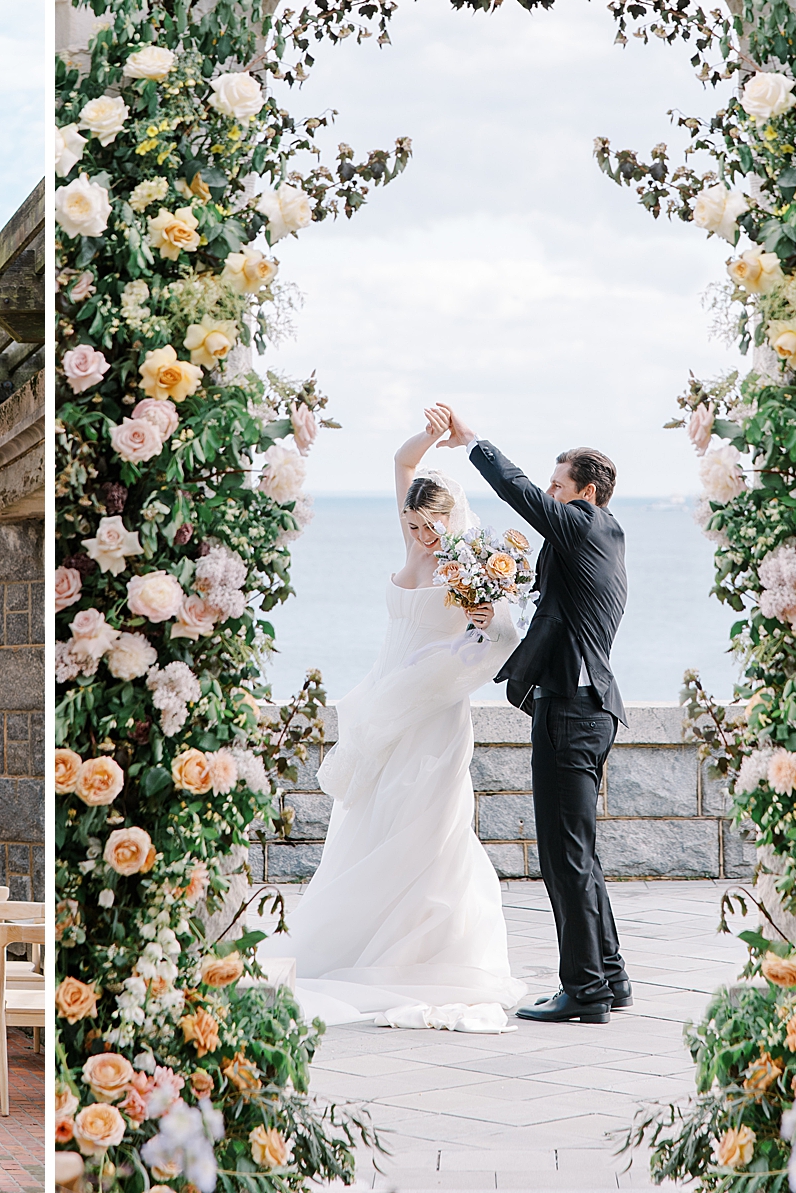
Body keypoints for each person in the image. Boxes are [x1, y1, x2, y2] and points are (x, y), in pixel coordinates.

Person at [261, 406, 528, 1033]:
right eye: (410, 522)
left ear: (449, 517)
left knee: (428, 826)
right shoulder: (411, 541)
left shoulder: (468, 563)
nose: (418, 534)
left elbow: (504, 633)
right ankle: (361, 941)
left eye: (428, 523)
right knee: (371, 821)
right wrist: (431, 437)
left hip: (432, 715)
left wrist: (488, 628)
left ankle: (425, 950)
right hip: (382, 708)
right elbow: (403, 464)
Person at [438, 403, 631, 1025]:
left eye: (559, 485)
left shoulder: (583, 524)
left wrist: (476, 444)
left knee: (563, 855)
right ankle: (611, 977)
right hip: (587, 708)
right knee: (582, 852)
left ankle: (585, 991)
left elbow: (524, 497)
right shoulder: (604, 537)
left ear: (586, 493)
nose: (551, 495)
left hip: (573, 711)